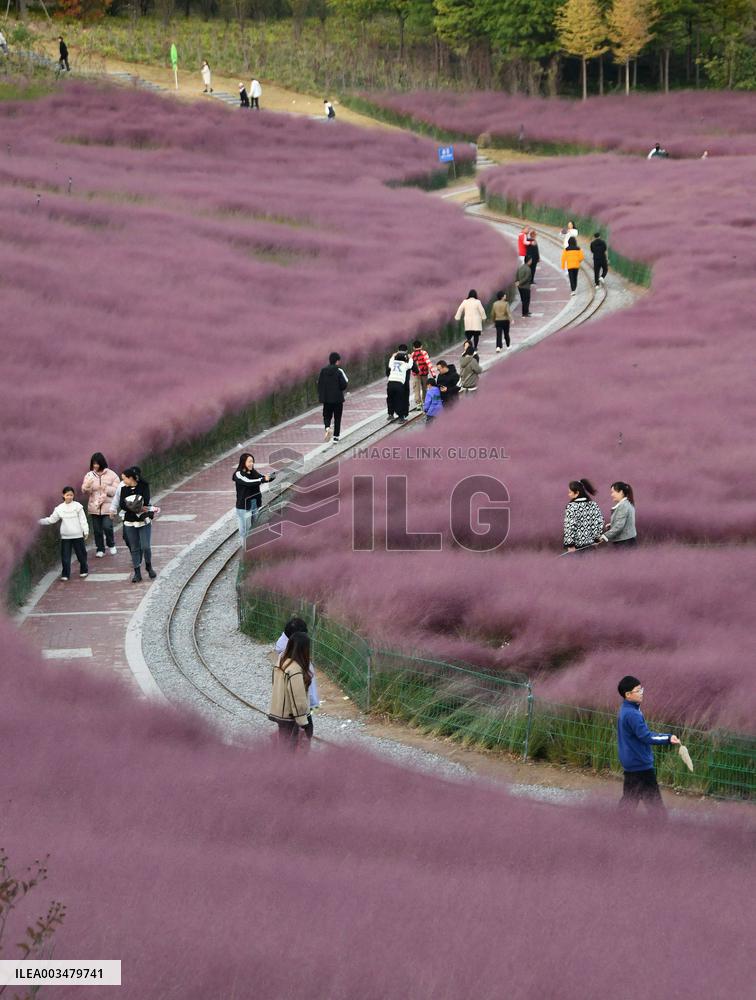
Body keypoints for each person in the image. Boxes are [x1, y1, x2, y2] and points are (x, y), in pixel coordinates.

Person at [617, 675, 679, 814]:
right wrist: (668, 738)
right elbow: (646, 736)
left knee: (629, 800)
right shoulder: (632, 714)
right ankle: (659, 829)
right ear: (628, 694)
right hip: (641, 765)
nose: (642, 693)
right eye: (638, 691)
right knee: (655, 805)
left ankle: (617, 827)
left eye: (641, 689)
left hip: (631, 763)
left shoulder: (626, 709)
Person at [269, 631, 313, 750]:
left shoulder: (280, 662)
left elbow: (275, 685)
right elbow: (297, 697)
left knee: (283, 747)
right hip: (291, 717)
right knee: (293, 750)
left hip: (280, 714)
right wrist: (304, 722)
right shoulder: (295, 670)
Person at [39, 487, 88, 582]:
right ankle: (65, 574)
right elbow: (51, 520)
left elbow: (83, 520)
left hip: (78, 535)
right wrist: (38, 521)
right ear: (63, 495)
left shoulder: (78, 506)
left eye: (71, 495)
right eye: (67, 495)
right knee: (65, 556)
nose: (69, 497)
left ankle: (84, 569)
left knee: (81, 554)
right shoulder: (59, 508)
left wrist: (85, 531)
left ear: (73, 496)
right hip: (66, 537)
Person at [119, 467, 159, 582]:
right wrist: (137, 505)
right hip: (129, 521)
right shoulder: (123, 489)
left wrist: (131, 504)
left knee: (145, 546)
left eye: (124, 479)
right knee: (134, 547)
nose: (123, 481)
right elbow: (122, 505)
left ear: (130, 478)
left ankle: (148, 566)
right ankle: (137, 572)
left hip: (143, 520)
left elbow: (145, 501)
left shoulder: (143, 486)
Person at [274, 617, 320, 710]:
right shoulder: (297, 664)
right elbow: (302, 691)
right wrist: (311, 705)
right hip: (298, 709)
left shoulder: (281, 653)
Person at [81, 452, 119, 558]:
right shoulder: (89, 475)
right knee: (97, 530)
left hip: (108, 506)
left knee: (107, 526)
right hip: (95, 506)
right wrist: (87, 486)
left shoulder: (111, 474)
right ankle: (100, 548)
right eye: (93, 464)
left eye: (97, 463)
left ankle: (111, 544)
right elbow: (84, 490)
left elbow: (117, 489)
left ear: (102, 463)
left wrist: (107, 489)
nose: (95, 466)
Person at [233, 453, 274, 544]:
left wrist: (270, 477)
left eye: (252, 461)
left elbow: (261, 478)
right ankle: (246, 552)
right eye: (249, 462)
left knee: (256, 528)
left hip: (254, 503)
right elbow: (248, 482)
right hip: (244, 506)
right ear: (243, 462)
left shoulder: (253, 472)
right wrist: (263, 479)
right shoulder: (238, 474)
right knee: (245, 531)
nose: (252, 463)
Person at [563, 479, 603, 552]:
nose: (568, 494)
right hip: (591, 546)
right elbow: (599, 522)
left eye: (570, 492)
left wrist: (570, 545)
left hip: (577, 547)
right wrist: (597, 539)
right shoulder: (593, 504)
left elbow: (569, 526)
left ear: (577, 493)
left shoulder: (572, 507)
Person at [317, 351, 348, 443]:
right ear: (337, 361)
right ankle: (336, 437)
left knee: (326, 416)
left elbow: (319, 384)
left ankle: (327, 428)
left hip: (327, 399)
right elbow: (344, 384)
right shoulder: (339, 371)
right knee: (337, 418)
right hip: (338, 399)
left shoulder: (323, 371)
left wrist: (322, 396)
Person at [600, 481, 637, 546]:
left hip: (624, 543)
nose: (612, 495)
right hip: (628, 541)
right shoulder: (627, 503)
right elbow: (625, 521)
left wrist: (604, 537)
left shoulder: (623, 506)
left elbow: (618, 527)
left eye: (613, 492)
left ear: (621, 492)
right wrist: (612, 524)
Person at [386, 348, 414, 423]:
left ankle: (390, 414)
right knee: (400, 400)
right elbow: (410, 365)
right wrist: (411, 358)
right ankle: (401, 417)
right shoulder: (405, 364)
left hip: (390, 383)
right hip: (399, 384)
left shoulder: (393, 363)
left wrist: (392, 356)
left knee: (390, 399)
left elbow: (390, 362)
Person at [410, 339, 432, 411]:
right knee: (424, 388)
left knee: (416, 389)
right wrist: (433, 372)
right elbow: (428, 362)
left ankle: (418, 404)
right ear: (421, 346)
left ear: (413, 347)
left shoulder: (412, 354)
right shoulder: (424, 353)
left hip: (415, 374)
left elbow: (410, 364)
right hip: (424, 373)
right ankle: (425, 402)